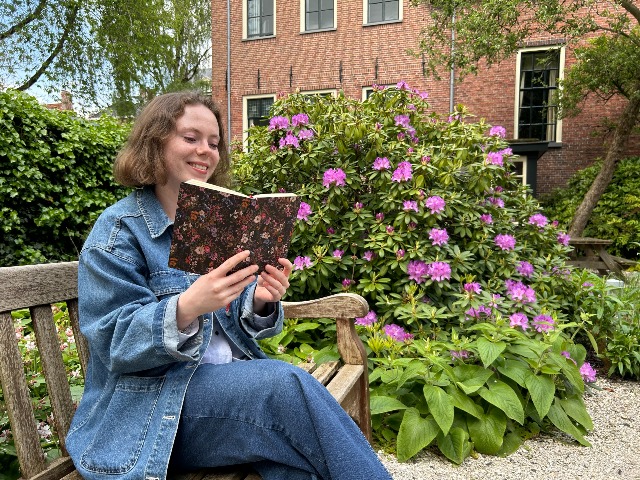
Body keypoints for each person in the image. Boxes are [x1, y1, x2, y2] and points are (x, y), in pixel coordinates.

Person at [65, 91, 393, 480]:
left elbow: (229, 323)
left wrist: (260, 302)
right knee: (285, 386)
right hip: (154, 415)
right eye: (191, 138)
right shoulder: (120, 232)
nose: (205, 150)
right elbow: (112, 343)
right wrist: (186, 307)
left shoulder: (214, 222)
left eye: (214, 142)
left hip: (222, 392)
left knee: (296, 466)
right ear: (155, 142)